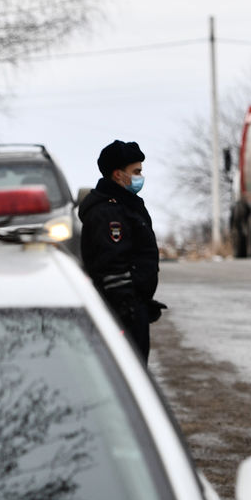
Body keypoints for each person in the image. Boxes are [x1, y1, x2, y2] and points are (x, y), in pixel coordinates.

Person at [79, 140, 164, 360]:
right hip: (122, 312)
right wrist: (128, 307)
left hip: (134, 306)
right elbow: (112, 263)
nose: (140, 177)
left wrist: (144, 301)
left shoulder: (126, 205)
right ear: (118, 175)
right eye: (135, 172)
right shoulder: (108, 212)